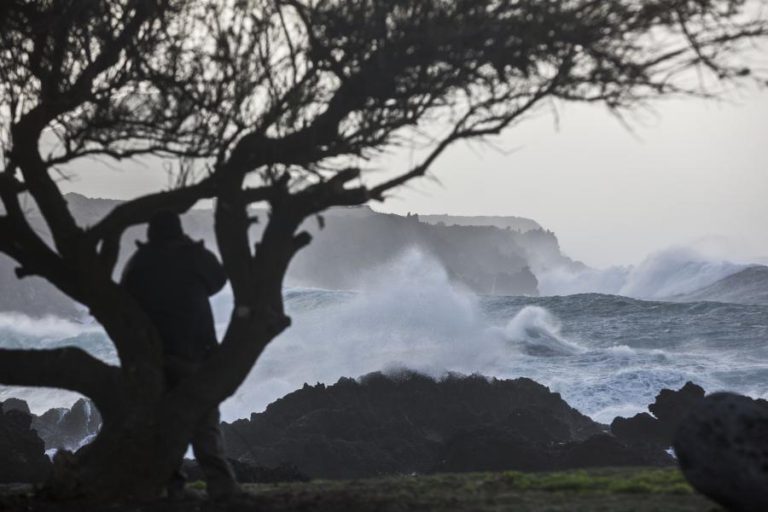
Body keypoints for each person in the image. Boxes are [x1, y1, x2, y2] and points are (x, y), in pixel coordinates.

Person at [121, 210, 238, 500]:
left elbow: (124, 300)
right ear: (178, 231)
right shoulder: (191, 256)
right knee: (205, 423)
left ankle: (171, 487)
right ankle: (221, 488)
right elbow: (219, 279)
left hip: (155, 358)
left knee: (164, 424)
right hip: (195, 352)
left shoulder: (140, 262)